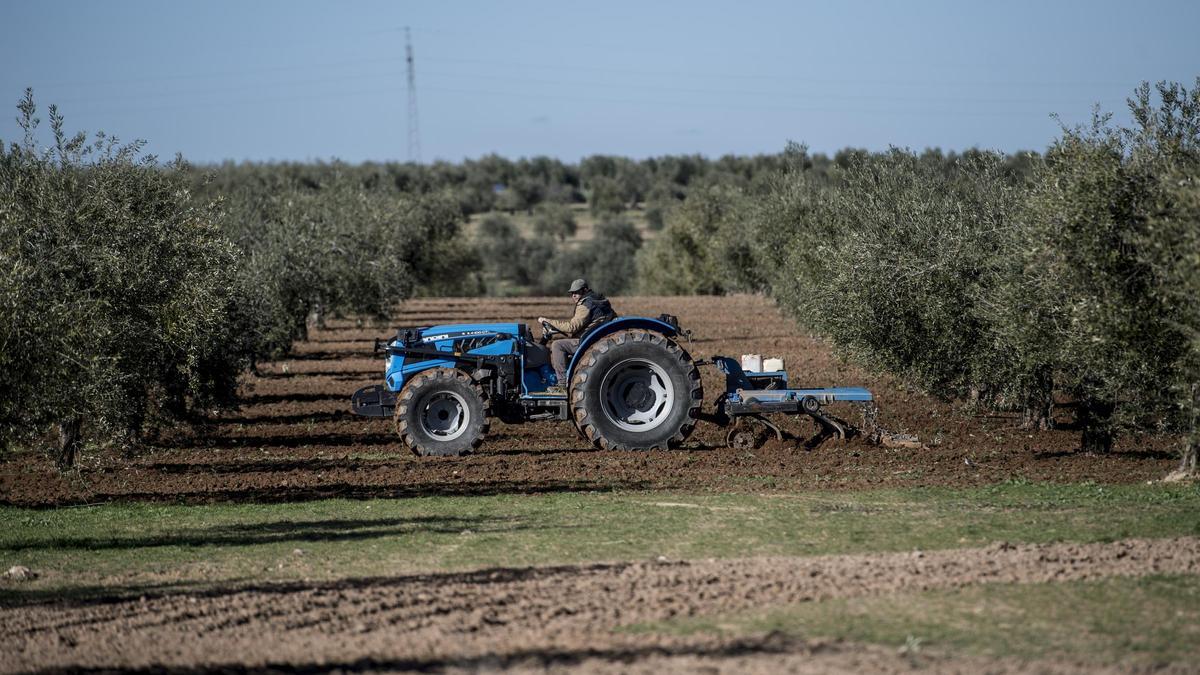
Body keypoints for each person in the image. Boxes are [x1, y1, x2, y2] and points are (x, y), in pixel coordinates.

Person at [537, 278, 616, 393]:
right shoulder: (598, 301)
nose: (573, 295)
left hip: (588, 342)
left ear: (585, 290)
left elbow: (572, 327)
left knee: (557, 345)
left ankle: (562, 385)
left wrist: (548, 321)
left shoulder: (586, 304)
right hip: (596, 338)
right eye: (572, 293)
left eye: (577, 292)